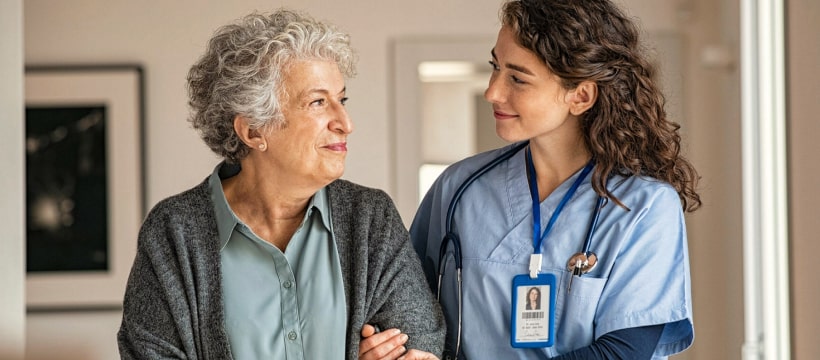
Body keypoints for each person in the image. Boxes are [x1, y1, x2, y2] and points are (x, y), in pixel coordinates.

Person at [116, 9, 444, 360]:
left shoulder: (369, 218)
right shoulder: (173, 232)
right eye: (318, 102)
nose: (345, 122)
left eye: (341, 100)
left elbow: (419, 343)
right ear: (254, 130)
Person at [407, 0, 701, 359]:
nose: (493, 92)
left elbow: (622, 352)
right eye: (495, 68)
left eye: (517, 78)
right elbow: (408, 306)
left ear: (580, 95)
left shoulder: (644, 207)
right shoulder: (459, 187)